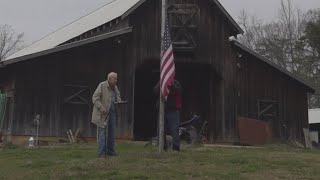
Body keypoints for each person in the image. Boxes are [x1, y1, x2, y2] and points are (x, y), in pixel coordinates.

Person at [92, 72, 122, 157]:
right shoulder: (102, 85)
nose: (116, 80)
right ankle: (101, 152)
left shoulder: (115, 88)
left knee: (112, 133)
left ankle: (111, 151)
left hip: (112, 113)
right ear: (109, 79)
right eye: (115, 79)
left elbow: (118, 97)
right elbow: (95, 98)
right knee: (102, 134)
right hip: (103, 114)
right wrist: (101, 108)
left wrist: (120, 101)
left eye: (116, 78)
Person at [154, 79, 182, 152]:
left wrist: (171, 85)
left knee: (174, 129)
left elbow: (179, 91)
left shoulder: (176, 82)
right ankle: (163, 147)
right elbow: (155, 91)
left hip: (173, 110)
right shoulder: (161, 81)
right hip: (162, 110)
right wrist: (161, 84)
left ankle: (176, 148)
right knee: (161, 130)